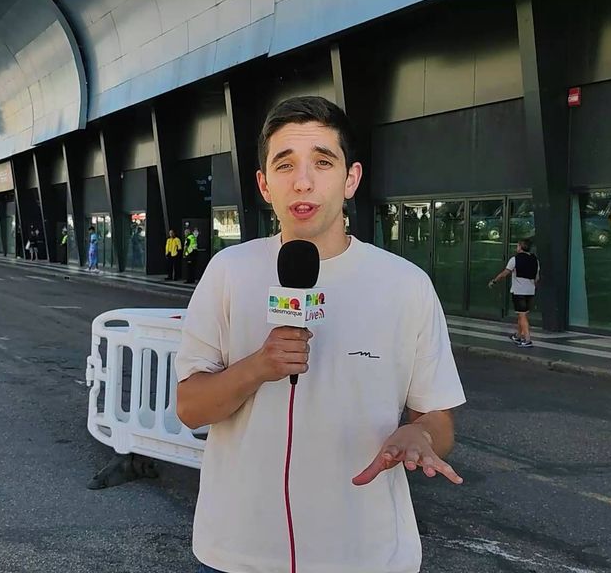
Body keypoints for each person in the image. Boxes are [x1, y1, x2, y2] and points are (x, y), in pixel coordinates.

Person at [175, 96, 465, 573]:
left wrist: (421, 434)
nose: (303, 181)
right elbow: (190, 407)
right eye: (285, 164)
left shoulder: (405, 285)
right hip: (239, 550)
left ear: (351, 178)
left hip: (368, 555)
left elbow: (438, 416)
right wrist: (258, 367)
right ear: (264, 185)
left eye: (323, 162)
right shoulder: (229, 271)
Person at [490, 238, 540, 348]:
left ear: (521, 247)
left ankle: (527, 339)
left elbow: (505, 273)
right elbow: (537, 278)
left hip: (519, 291)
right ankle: (518, 335)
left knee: (522, 315)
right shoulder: (535, 260)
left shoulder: (515, 259)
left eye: (517, 245)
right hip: (530, 291)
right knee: (522, 314)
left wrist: (494, 281)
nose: (516, 247)